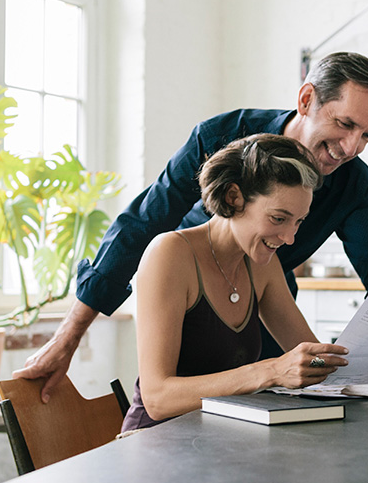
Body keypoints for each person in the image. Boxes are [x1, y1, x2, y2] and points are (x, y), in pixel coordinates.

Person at [14, 52, 368, 402]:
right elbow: (143, 224)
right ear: (307, 101)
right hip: (189, 304)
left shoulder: (345, 186)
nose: (351, 148)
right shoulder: (220, 138)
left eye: (367, 136)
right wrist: (69, 336)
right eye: (344, 125)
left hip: (266, 304)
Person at [122, 134, 348, 430]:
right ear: (234, 198)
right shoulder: (170, 254)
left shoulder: (261, 264)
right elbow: (158, 399)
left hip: (218, 439)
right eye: (279, 219)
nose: (290, 238)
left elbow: (314, 360)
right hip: (155, 443)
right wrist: (271, 371)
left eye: (298, 222)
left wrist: (344, 361)